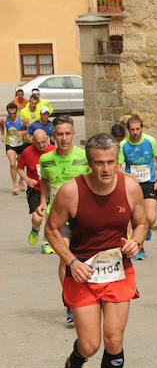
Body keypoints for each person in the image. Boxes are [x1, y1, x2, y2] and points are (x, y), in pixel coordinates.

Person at [44, 133, 147, 368]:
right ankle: (78, 355)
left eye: (111, 162)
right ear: (89, 163)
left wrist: (137, 241)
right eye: (99, 163)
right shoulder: (71, 191)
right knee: (91, 345)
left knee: (114, 339)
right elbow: (51, 230)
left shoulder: (130, 187)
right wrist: (71, 261)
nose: (105, 169)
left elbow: (142, 222)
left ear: (117, 161)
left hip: (117, 271)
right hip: (83, 274)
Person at [39, 116, 91, 325]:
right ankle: (69, 301)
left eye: (67, 133)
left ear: (74, 134)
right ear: (53, 136)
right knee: (65, 257)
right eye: (59, 134)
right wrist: (43, 202)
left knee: (86, 256)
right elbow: (44, 181)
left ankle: (87, 296)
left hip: (83, 216)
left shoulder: (84, 157)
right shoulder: (46, 159)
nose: (63, 138)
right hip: (58, 216)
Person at [118, 115, 157, 259]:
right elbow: (117, 168)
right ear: (128, 130)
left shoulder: (150, 141)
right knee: (134, 218)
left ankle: (147, 227)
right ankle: (139, 247)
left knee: (151, 218)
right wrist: (129, 175)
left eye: (138, 129)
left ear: (141, 128)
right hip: (132, 184)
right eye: (132, 129)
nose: (135, 132)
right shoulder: (123, 145)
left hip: (149, 182)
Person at [17, 128, 55, 251]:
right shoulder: (27, 152)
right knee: (37, 219)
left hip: (51, 189)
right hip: (35, 189)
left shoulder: (54, 151)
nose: (41, 145)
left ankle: (46, 243)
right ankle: (35, 229)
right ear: (33, 141)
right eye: (38, 143)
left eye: (44, 142)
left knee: (50, 218)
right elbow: (19, 168)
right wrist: (27, 179)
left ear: (47, 139)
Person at [1, 101, 27, 194]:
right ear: (8, 112)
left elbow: (29, 129)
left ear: (17, 111)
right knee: (12, 164)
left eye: (14, 113)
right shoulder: (4, 119)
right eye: (10, 113)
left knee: (21, 165)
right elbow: (1, 125)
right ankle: (15, 184)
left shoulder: (22, 120)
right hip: (10, 144)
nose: (12, 115)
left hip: (21, 144)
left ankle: (21, 181)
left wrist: (22, 132)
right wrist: (2, 134)